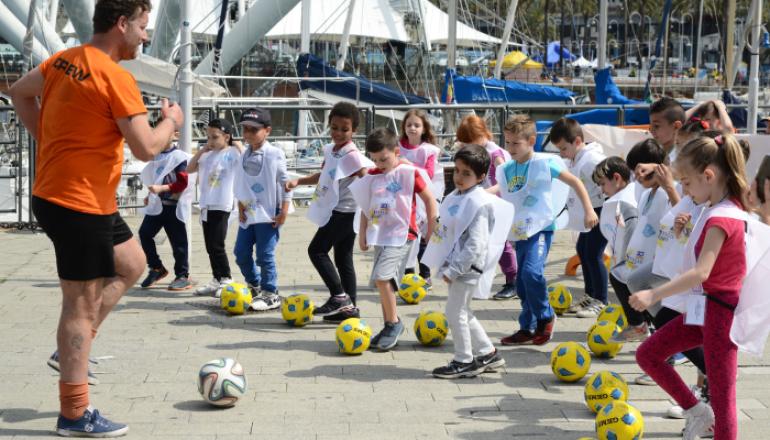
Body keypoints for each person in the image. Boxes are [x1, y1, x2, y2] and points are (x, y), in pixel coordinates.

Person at [8, 0, 183, 436]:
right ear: (122, 24)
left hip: (80, 199)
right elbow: (146, 148)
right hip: (76, 204)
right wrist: (171, 122)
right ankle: (73, 413)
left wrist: (48, 140)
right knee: (79, 306)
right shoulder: (116, 77)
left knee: (132, 263)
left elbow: (18, 92)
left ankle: (72, 348)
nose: (145, 35)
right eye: (143, 26)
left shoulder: (64, 60)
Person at [630, 133, 752, 440]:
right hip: (704, 309)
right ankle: (697, 412)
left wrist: (653, 294)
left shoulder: (722, 217)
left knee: (724, 399)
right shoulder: (717, 208)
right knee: (648, 355)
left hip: (720, 315)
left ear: (708, 176)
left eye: (686, 182)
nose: (683, 189)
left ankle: (705, 416)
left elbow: (701, 271)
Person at [493, 115, 598, 346]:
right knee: (521, 282)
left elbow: (575, 182)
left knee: (532, 273)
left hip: (540, 228)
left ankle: (546, 315)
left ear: (531, 140)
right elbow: (500, 189)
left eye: (515, 143)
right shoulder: (508, 168)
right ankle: (527, 327)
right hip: (519, 230)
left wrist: (589, 209)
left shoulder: (544, 163)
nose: (510, 148)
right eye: (507, 142)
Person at [423, 144, 507, 378]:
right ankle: (488, 353)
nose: (459, 177)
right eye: (457, 171)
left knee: (454, 312)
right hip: (457, 265)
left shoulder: (477, 203)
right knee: (463, 310)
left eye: (466, 173)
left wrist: (455, 269)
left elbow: (476, 244)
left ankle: (464, 360)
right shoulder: (458, 196)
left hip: (466, 267)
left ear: (481, 177)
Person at [350, 128, 437, 351]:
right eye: (375, 159)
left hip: (403, 234)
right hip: (380, 234)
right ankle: (390, 323)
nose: (379, 163)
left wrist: (431, 227)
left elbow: (429, 199)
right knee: (383, 284)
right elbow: (365, 205)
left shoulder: (408, 173)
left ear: (396, 151)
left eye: (384, 158)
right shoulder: (372, 174)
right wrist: (362, 233)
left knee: (382, 278)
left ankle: (393, 323)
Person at [285, 102, 373, 323]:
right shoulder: (332, 150)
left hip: (345, 212)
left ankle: (339, 296)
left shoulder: (351, 154)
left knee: (317, 250)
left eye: (345, 129)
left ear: (354, 131)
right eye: (334, 128)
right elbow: (324, 174)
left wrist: (372, 208)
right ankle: (349, 309)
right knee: (343, 258)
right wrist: (299, 181)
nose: (339, 133)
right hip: (337, 210)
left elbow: (366, 176)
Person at [610, 139, 679, 345]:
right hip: (644, 258)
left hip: (666, 260)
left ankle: (669, 341)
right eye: (635, 172)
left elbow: (680, 213)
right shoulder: (647, 192)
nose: (638, 176)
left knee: (646, 291)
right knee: (619, 275)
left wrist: (666, 181)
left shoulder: (672, 189)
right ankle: (647, 327)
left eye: (642, 171)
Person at [233, 108, 291, 311]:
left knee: (265, 254)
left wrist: (284, 210)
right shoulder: (243, 154)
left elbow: (286, 183)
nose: (248, 133)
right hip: (248, 212)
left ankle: (270, 291)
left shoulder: (275, 154)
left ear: (267, 130)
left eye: (254, 130)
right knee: (240, 252)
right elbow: (242, 183)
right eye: (245, 129)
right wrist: (240, 206)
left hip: (268, 212)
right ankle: (254, 283)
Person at [549, 118, 608, 317]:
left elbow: (608, 186)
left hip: (600, 211)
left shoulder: (591, 160)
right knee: (582, 250)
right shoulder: (576, 158)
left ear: (577, 142)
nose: (562, 153)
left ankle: (600, 299)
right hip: (589, 212)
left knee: (593, 254)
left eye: (564, 148)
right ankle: (590, 295)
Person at [456, 115, 518, 300]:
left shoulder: (494, 154)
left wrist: (484, 193)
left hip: (495, 204)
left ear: (481, 133)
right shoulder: (478, 150)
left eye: (470, 140)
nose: (467, 145)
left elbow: (506, 182)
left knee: (501, 244)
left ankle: (513, 281)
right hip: (482, 204)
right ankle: (478, 280)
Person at [189, 118, 243, 296]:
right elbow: (189, 169)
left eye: (215, 137)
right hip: (207, 204)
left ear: (226, 136)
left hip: (223, 203)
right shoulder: (206, 154)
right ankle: (216, 277)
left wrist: (235, 143)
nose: (210, 141)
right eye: (208, 137)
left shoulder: (233, 153)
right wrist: (201, 150)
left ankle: (227, 278)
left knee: (218, 244)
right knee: (209, 245)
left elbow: (245, 160)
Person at [138, 132, 193, 291]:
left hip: (174, 206)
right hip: (157, 205)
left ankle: (182, 275)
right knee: (144, 234)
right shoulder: (156, 156)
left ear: (175, 134)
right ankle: (156, 268)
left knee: (178, 243)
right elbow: (155, 178)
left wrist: (161, 189)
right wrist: (150, 194)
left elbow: (182, 183)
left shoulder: (179, 157)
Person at [399, 109, 443, 288]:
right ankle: (408, 275)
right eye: (409, 125)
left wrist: (409, 165)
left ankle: (425, 275)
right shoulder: (398, 146)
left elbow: (430, 173)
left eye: (416, 125)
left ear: (424, 128)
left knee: (424, 238)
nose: (412, 128)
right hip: (403, 198)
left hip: (423, 198)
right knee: (408, 237)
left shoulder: (429, 150)